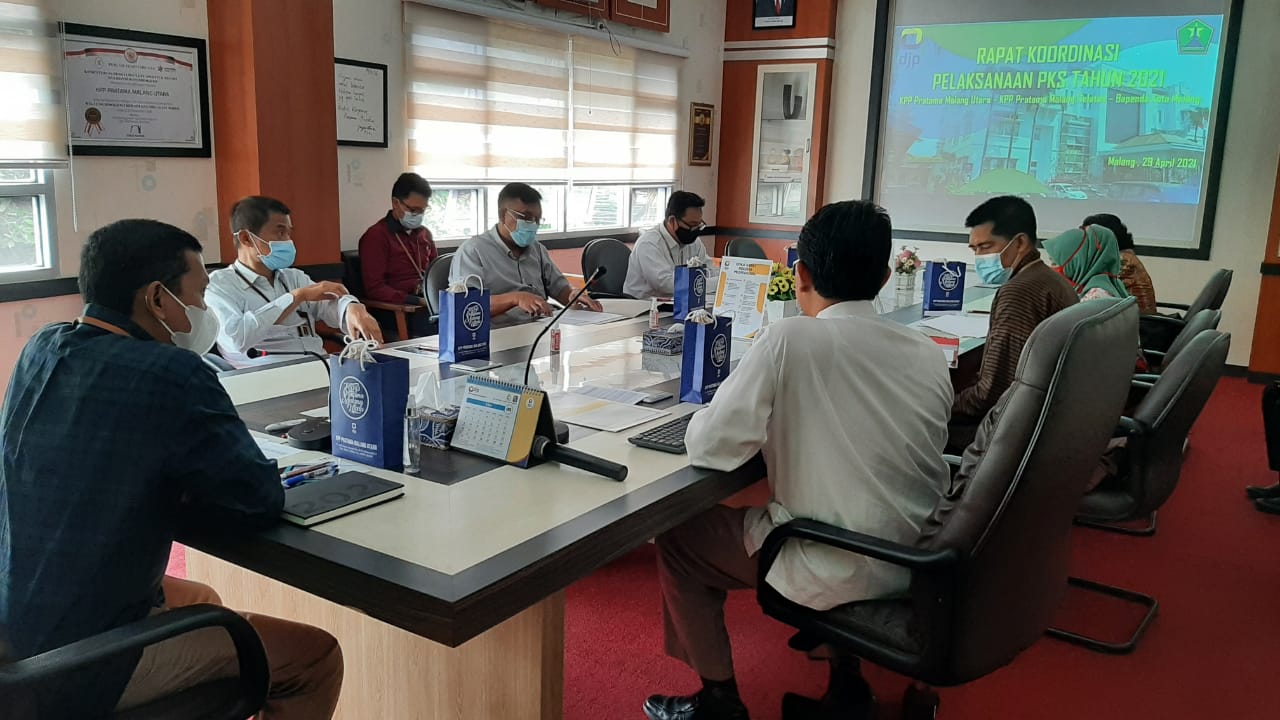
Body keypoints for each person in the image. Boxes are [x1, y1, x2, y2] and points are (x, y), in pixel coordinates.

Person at [0, 219, 343, 718]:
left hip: (18, 616)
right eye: (199, 294)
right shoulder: (173, 372)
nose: (204, 310)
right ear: (158, 299)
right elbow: (256, 499)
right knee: (314, 657)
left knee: (203, 598)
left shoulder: (42, 346)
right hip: (79, 661)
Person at [643, 201, 953, 720]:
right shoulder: (926, 351)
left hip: (833, 560)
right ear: (884, 276)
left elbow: (712, 449)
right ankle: (846, 677)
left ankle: (719, 700)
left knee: (678, 538)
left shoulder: (790, 338)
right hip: (922, 560)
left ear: (800, 274)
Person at [949, 196, 1078, 453]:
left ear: (1019, 243)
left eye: (985, 247)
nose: (980, 258)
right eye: (974, 250)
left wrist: (936, 406)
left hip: (1011, 434)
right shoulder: (1049, 279)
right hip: (1050, 419)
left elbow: (990, 394)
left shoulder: (1019, 292)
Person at [207, 195, 382, 367]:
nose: (288, 241)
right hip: (264, 375)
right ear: (246, 238)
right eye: (280, 232)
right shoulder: (218, 285)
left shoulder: (293, 277)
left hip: (319, 365)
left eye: (289, 233)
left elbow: (329, 304)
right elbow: (236, 338)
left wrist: (351, 307)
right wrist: (295, 297)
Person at [450, 182, 603, 322]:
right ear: (503, 215)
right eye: (525, 218)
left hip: (541, 325)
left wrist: (573, 294)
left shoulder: (537, 249)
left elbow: (559, 288)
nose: (532, 224)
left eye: (537, 220)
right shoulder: (473, 251)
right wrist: (515, 299)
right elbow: (466, 305)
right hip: (500, 332)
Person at [358, 172, 440, 337]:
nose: (418, 215)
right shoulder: (376, 236)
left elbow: (435, 273)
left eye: (422, 210)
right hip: (398, 309)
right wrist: (415, 300)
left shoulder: (424, 234)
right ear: (396, 203)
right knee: (447, 326)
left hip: (427, 302)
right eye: (413, 210)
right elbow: (375, 289)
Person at [624, 191, 711, 299]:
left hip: (679, 302)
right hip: (644, 305)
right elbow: (666, 285)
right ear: (672, 221)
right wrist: (712, 283)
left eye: (699, 225)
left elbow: (709, 269)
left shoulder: (694, 242)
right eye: (692, 224)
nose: (695, 230)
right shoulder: (649, 243)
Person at [1082, 213, 1156, 313]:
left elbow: (1094, 288)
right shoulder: (1122, 256)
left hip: (1137, 319)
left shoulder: (1123, 261)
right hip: (1125, 315)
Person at [1044, 225, 1131, 302]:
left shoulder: (1096, 297)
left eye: (1055, 263)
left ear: (1077, 263)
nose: (1051, 268)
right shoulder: (1110, 284)